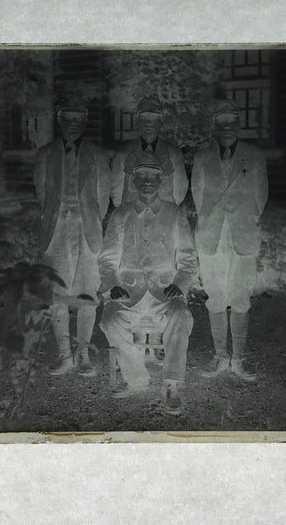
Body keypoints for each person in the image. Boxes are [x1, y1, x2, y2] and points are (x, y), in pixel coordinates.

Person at [99, 152, 197, 414]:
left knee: (181, 315)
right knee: (110, 319)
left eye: (153, 176)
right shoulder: (121, 214)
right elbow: (108, 258)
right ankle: (136, 378)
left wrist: (180, 283)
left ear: (161, 180)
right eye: (141, 176)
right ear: (133, 180)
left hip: (164, 292)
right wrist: (112, 285)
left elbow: (188, 258)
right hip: (128, 292)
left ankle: (171, 385)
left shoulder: (175, 214)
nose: (147, 181)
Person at [191, 98, 269, 381]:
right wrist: (211, 221)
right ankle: (220, 356)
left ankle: (239, 359)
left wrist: (244, 220)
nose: (226, 127)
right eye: (220, 122)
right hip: (211, 238)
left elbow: (261, 196)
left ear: (238, 124)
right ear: (215, 125)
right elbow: (197, 195)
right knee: (215, 297)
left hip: (242, 236)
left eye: (231, 121)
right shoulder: (202, 157)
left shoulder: (254, 155)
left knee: (240, 298)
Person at [33, 98, 110, 376]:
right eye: (69, 117)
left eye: (79, 118)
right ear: (60, 120)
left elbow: (104, 196)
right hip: (56, 232)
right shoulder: (45, 154)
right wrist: (58, 215)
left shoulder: (97, 154)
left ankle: (83, 354)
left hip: (86, 231)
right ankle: (64, 355)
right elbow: (42, 193)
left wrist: (86, 218)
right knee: (57, 295)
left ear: (85, 122)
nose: (74, 123)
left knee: (87, 293)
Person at [110, 97, 188, 207]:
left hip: (164, 213)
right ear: (137, 121)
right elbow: (116, 188)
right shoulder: (123, 152)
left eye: (154, 118)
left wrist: (169, 211)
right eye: (144, 118)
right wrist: (123, 211)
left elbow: (180, 189)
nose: (149, 123)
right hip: (131, 213)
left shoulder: (174, 153)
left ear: (161, 121)